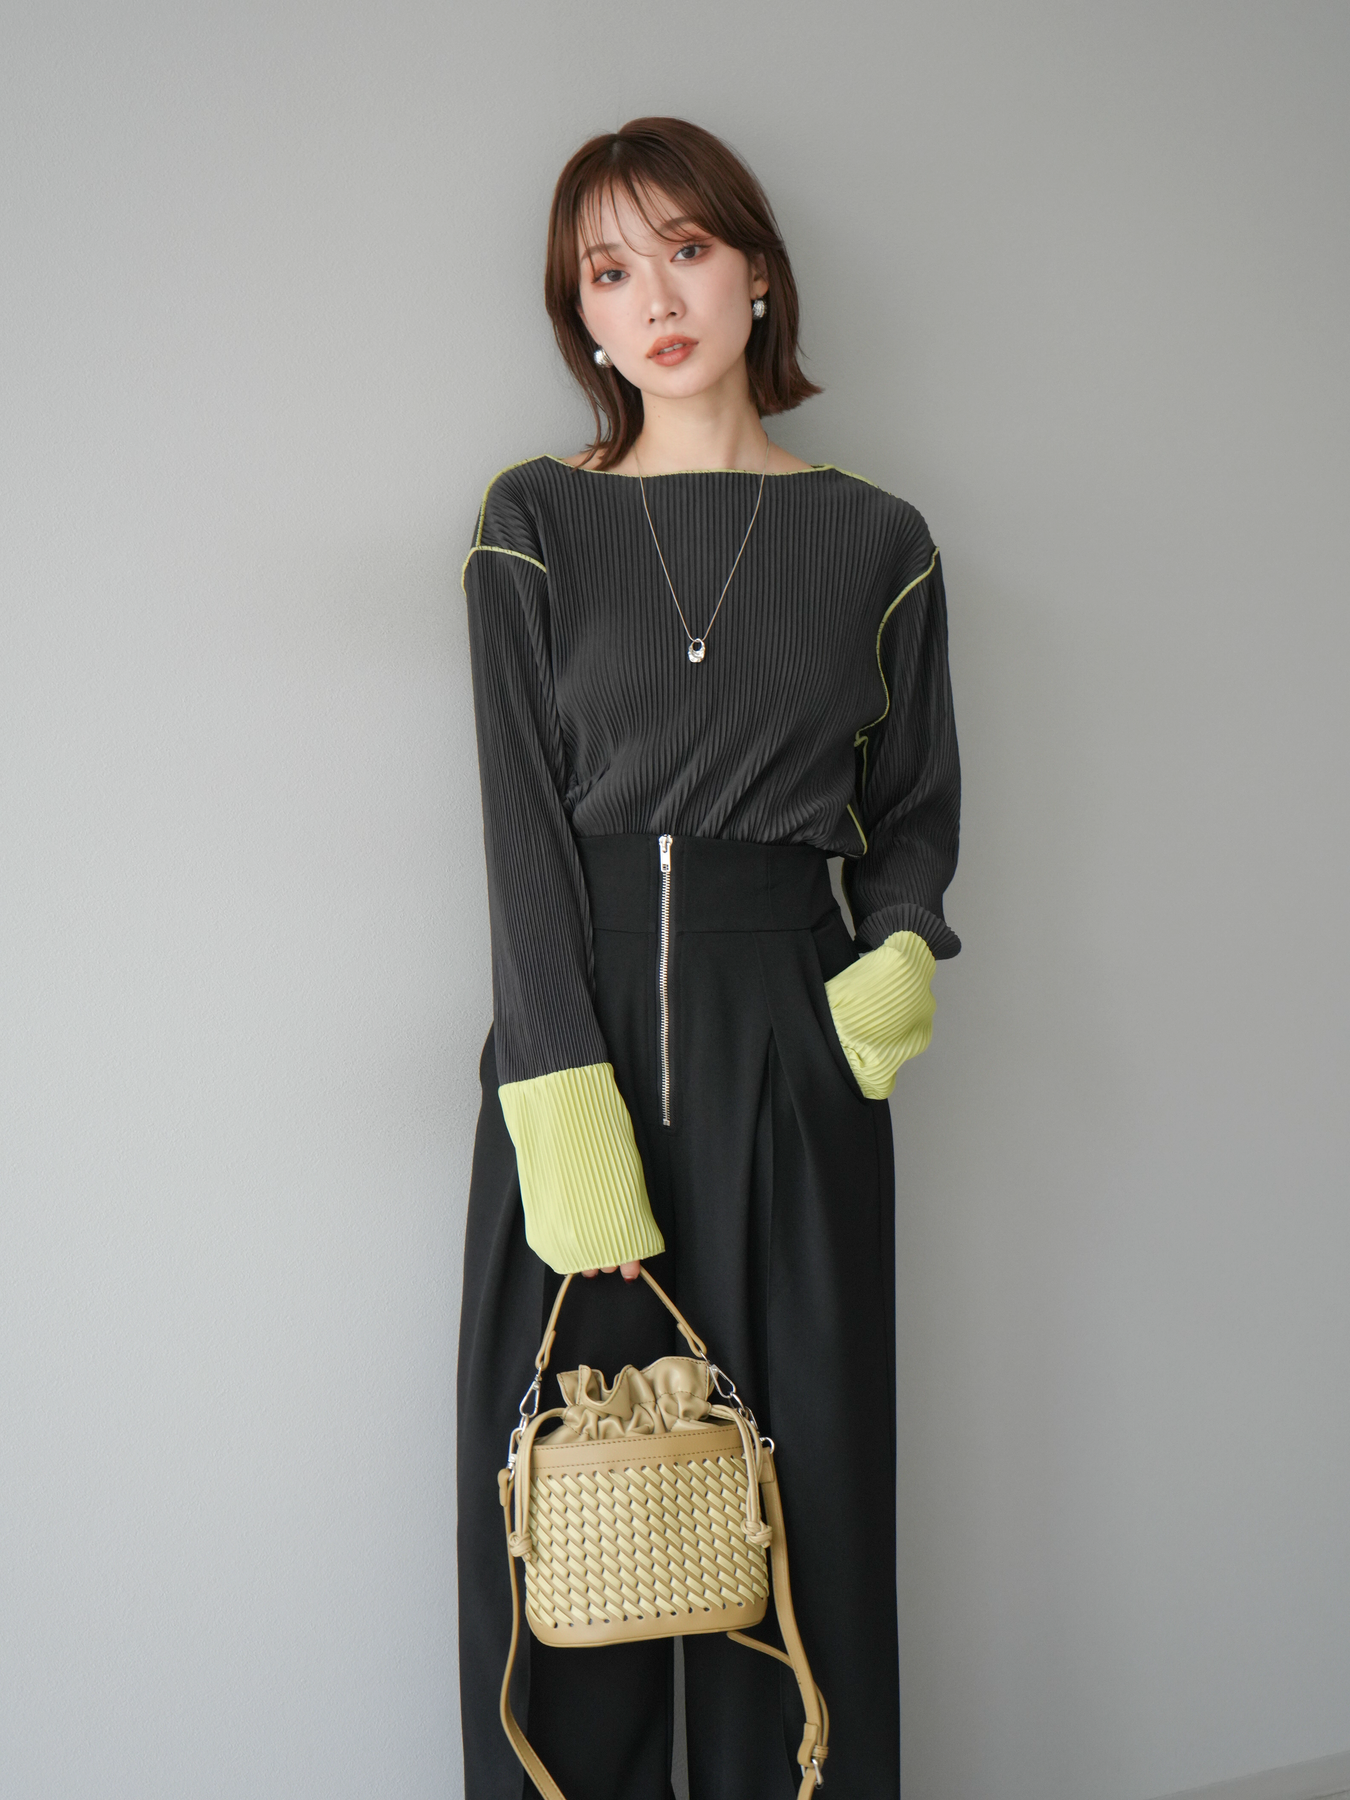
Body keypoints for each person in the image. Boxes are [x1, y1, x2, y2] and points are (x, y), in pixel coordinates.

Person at [456, 116, 960, 1800]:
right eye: (608, 272)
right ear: (581, 320)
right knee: (574, 1533)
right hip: (575, 1029)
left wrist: (896, 954)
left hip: (789, 1053)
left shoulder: (879, 540)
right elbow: (518, 830)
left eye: (684, 249)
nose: (655, 299)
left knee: (796, 1519)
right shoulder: (532, 522)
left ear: (755, 272)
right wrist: (560, 1105)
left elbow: (915, 809)